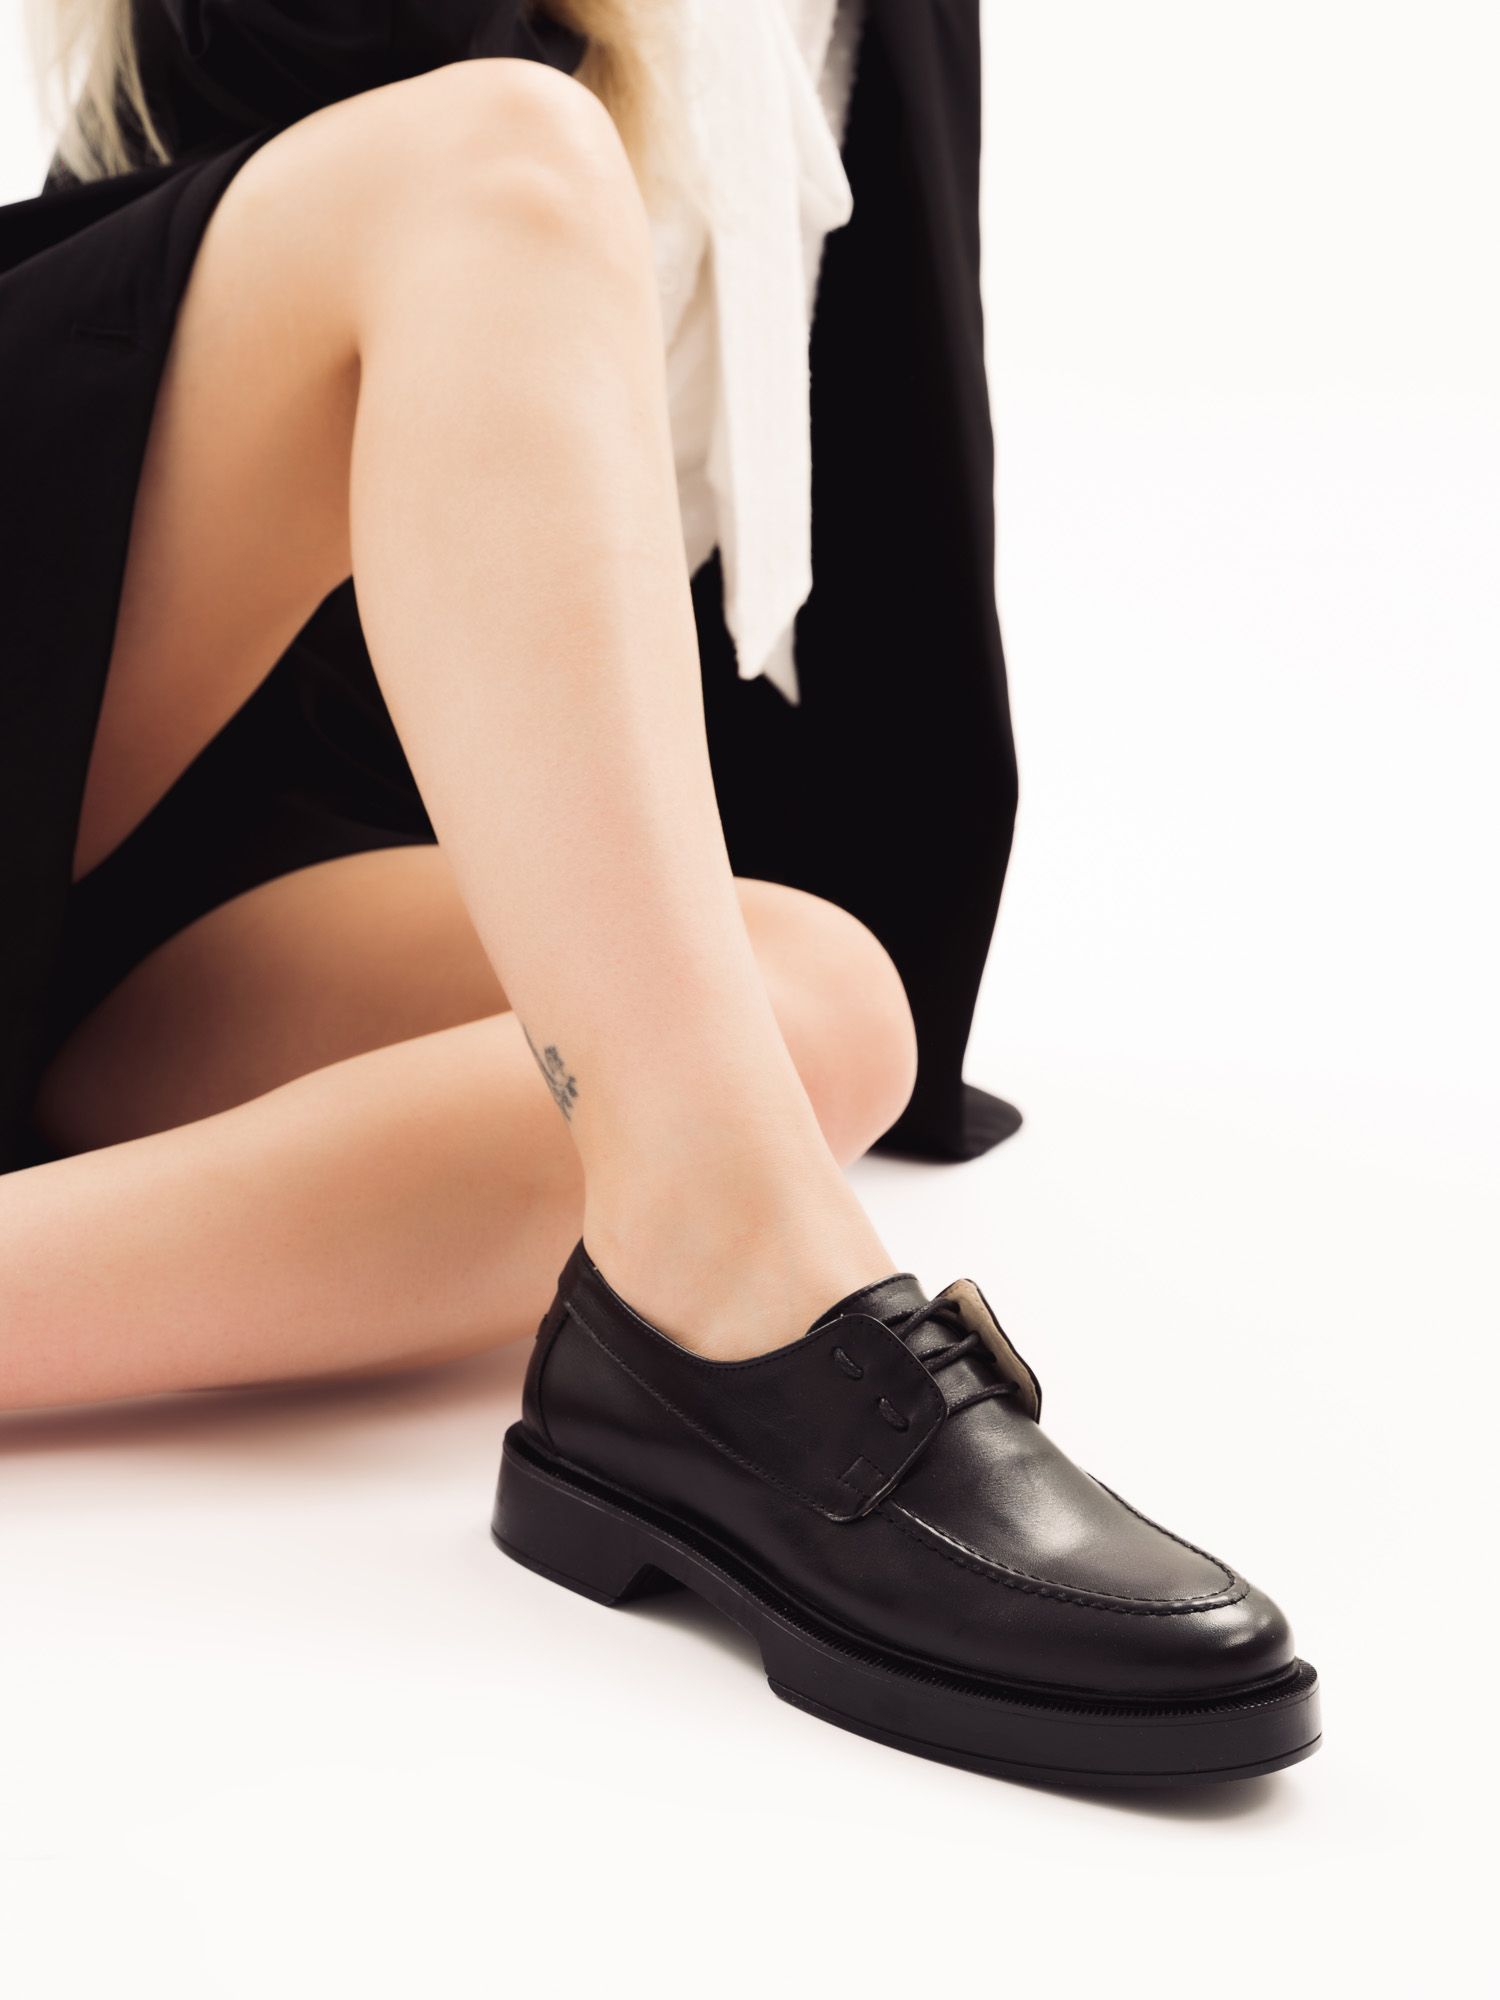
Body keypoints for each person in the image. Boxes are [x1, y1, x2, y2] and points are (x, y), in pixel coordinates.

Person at [0, 0, 1319, 1785]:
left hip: (189, 861)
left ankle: (705, 1261)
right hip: (77, 678)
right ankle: (730, 1296)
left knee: (823, 1012)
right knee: (500, 160)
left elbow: (891, 450)